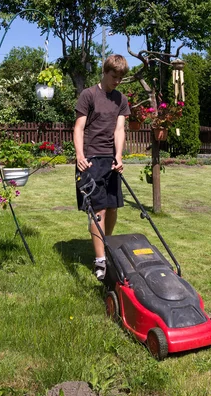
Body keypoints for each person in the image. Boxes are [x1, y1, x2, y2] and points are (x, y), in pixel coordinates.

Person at [74, 54, 130, 280]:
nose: (117, 80)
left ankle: (105, 245)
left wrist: (118, 155)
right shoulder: (88, 94)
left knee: (113, 207)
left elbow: (120, 130)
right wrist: (79, 155)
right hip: (90, 159)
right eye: (113, 76)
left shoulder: (121, 99)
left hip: (111, 160)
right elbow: (78, 128)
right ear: (105, 72)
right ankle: (100, 261)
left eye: (120, 77)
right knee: (99, 210)